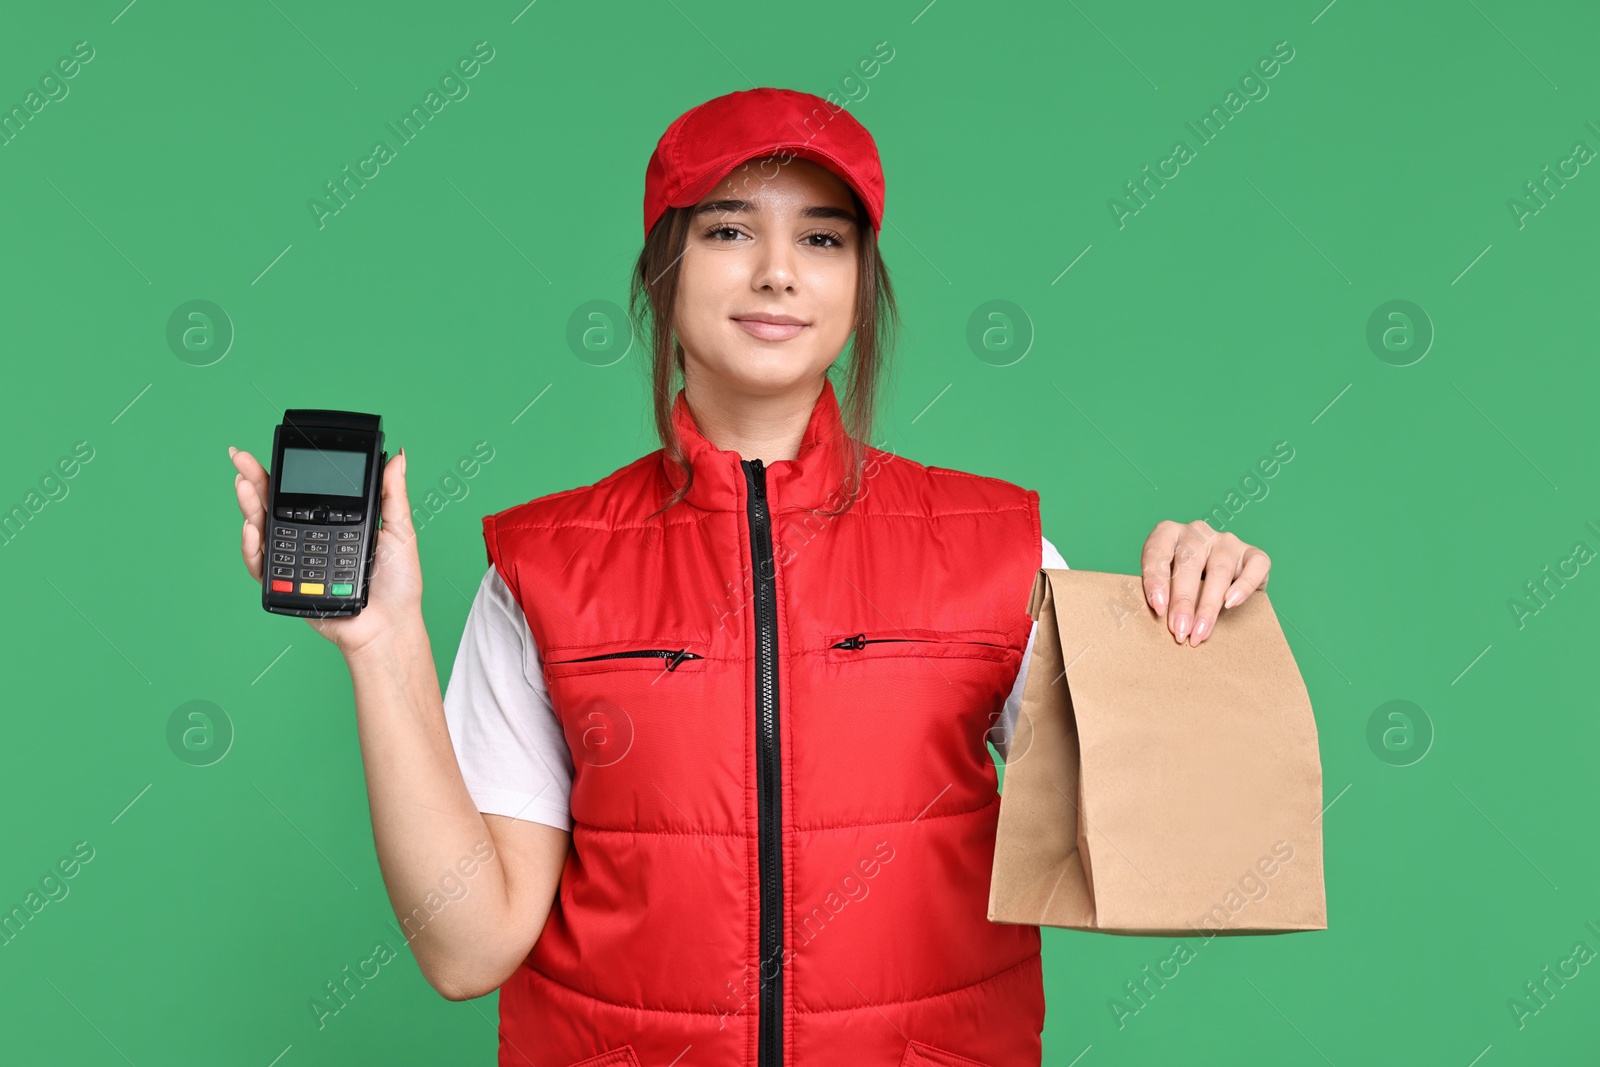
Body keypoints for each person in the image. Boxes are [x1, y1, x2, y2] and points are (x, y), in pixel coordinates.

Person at [229, 87, 1271, 1067]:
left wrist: (1202, 627)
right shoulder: (546, 568)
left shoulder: (997, 552)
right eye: (730, 230)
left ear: (859, 284)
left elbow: (1170, 841)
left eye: (821, 238)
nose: (778, 271)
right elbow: (470, 947)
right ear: (662, 269)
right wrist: (381, 642)